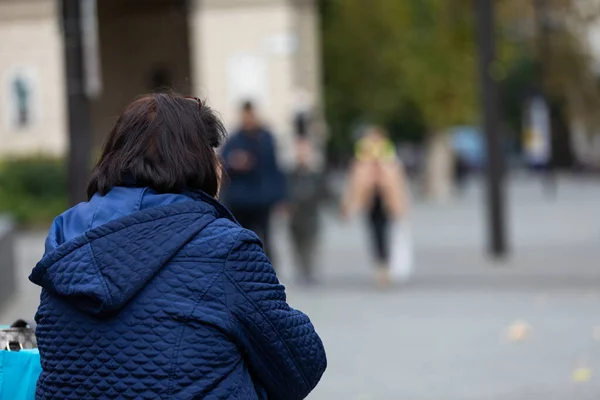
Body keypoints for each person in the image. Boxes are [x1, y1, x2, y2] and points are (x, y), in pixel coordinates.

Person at [29, 93, 326, 399]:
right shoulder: (225, 248)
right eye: (213, 151)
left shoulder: (67, 238)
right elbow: (302, 364)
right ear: (198, 160)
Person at [341, 127, 409, 287]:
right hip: (370, 202)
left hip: (387, 203)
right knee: (375, 234)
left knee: (387, 234)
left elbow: (399, 185)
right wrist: (347, 206)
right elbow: (353, 185)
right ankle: (380, 266)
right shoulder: (361, 160)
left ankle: (386, 265)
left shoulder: (390, 159)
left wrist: (402, 206)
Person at [220, 101, 286, 262]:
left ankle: (267, 267)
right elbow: (223, 164)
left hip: (262, 198)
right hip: (240, 199)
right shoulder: (235, 139)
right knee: (240, 236)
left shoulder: (265, 138)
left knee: (266, 237)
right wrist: (235, 163)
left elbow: (274, 168)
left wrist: (281, 197)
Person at [287, 138, 327, 285]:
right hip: (295, 216)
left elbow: (325, 192)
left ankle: (309, 270)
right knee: (297, 245)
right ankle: (302, 270)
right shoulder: (290, 175)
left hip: (311, 215)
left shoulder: (315, 175)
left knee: (310, 244)